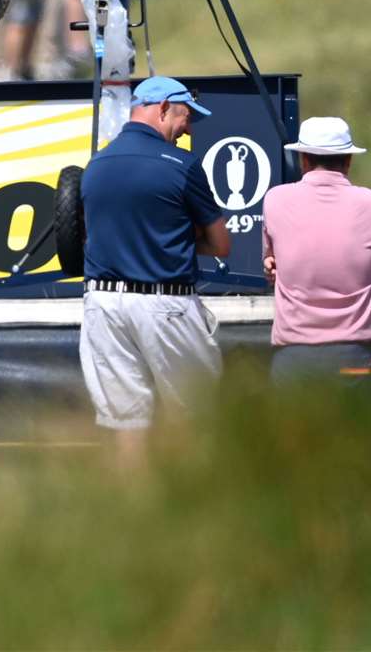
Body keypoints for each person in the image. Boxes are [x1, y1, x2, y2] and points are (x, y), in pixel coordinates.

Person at [80, 77, 231, 459]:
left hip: (102, 307)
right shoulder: (182, 165)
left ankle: (134, 512)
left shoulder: (96, 164)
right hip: (166, 305)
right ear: (163, 108)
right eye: (186, 116)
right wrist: (180, 237)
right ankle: (192, 506)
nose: (188, 128)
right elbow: (221, 245)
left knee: (126, 425)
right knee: (196, 416)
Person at [261, 117, 371, 386]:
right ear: (348, 160)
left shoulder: (275, 199)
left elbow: (272, 262)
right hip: (354, 353)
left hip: (293, 357)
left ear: (304, 160)